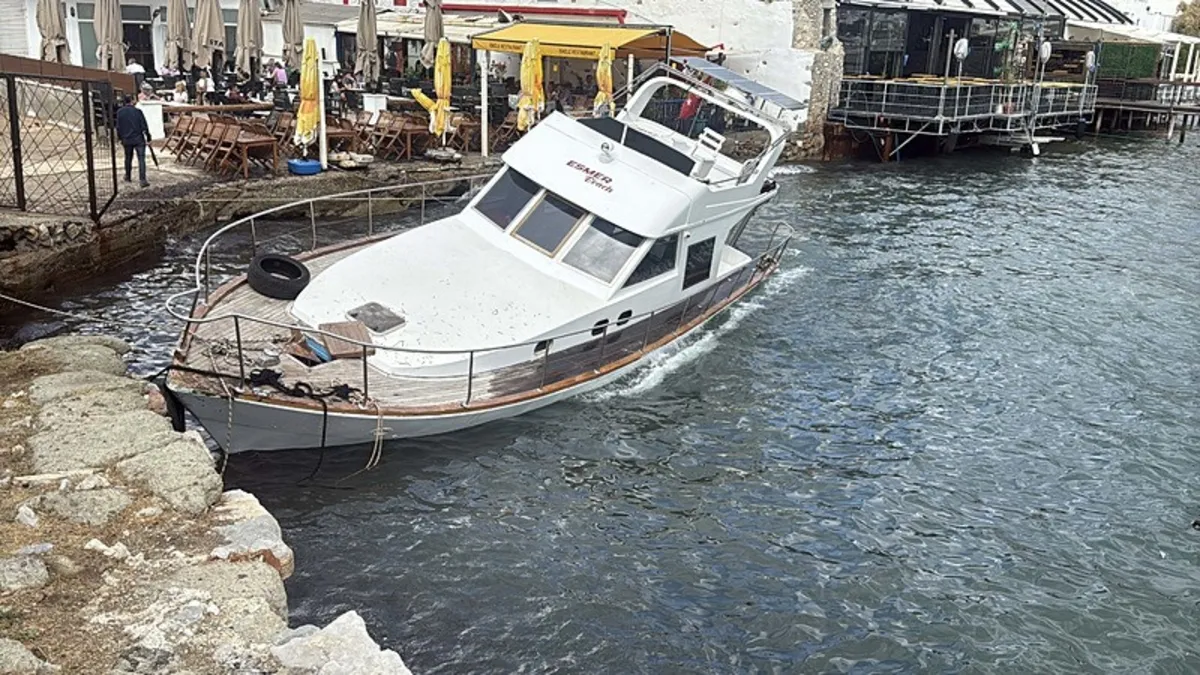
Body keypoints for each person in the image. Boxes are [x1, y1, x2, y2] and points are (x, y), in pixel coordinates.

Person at [115, 96, 151, 188]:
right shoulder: (138, 112)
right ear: (132, 101)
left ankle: (127, 176)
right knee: (141, 159)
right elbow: (144, 126)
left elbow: (118, 127)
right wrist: (148, 137)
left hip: (126, 139)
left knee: (128, 158)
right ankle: (142, 180)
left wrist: (119, 138)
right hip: (138, 138)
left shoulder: (120, 112)